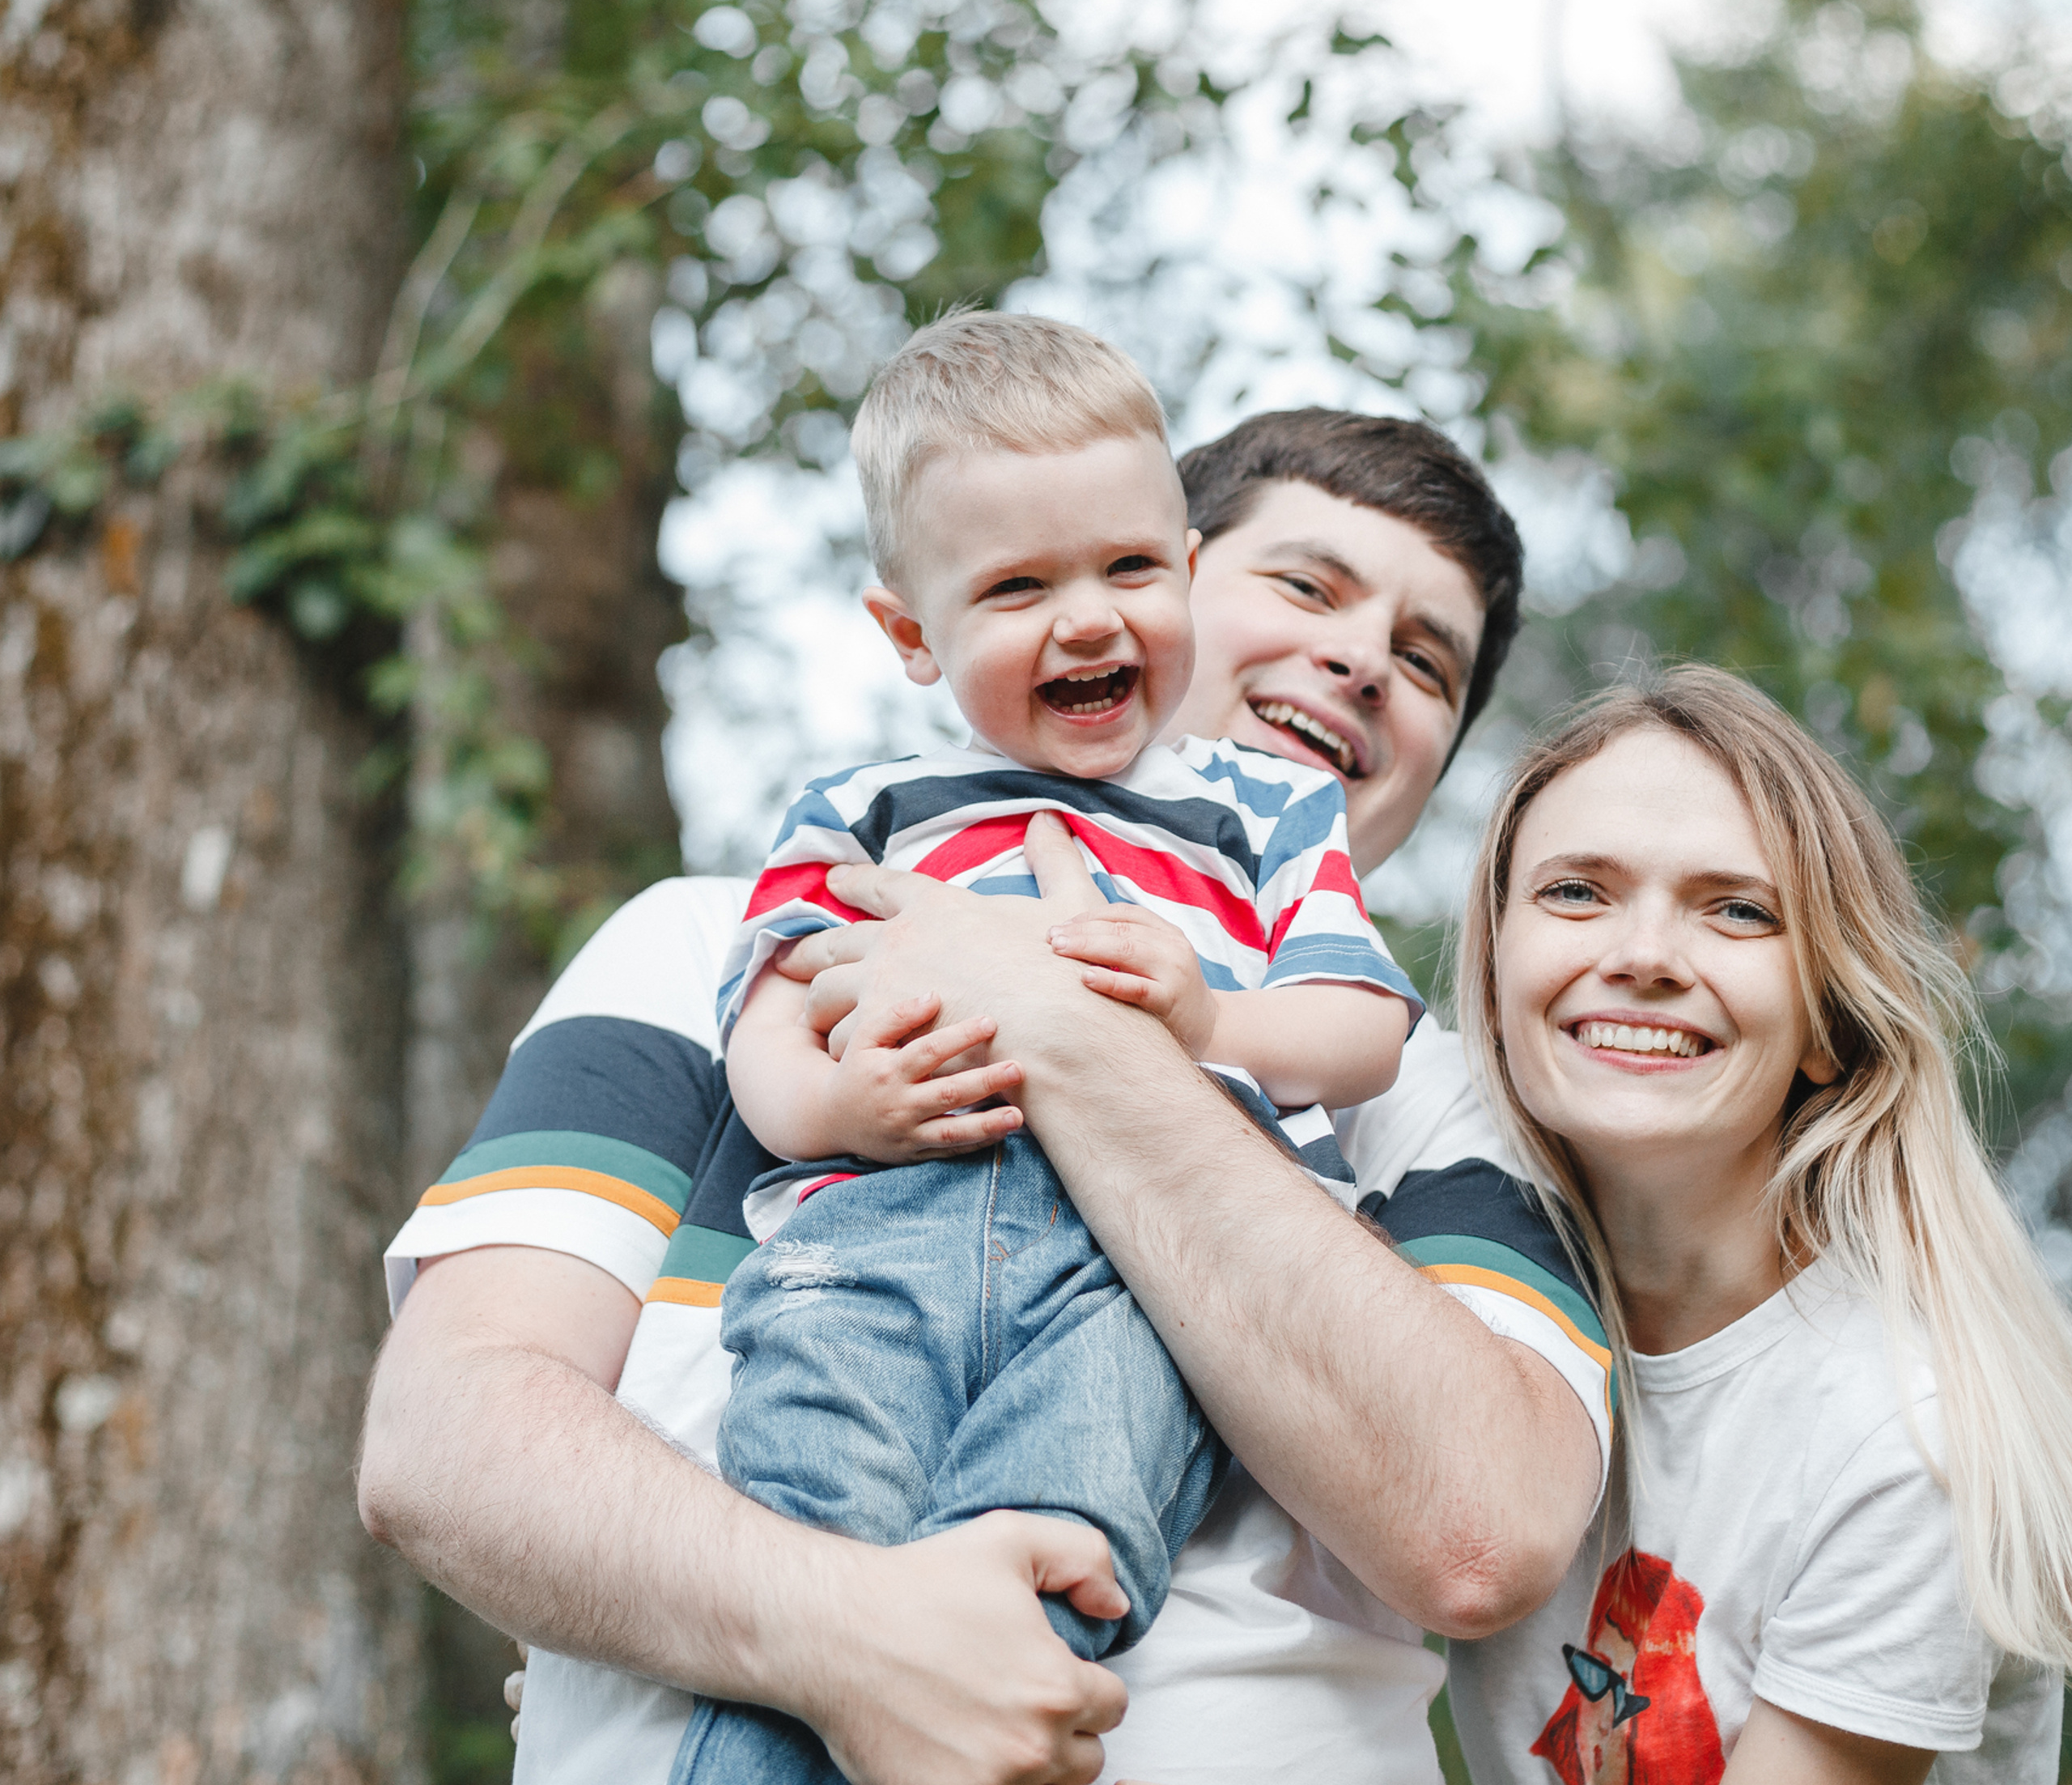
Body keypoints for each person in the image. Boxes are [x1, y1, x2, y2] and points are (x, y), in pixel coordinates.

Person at [357, 400, 1610, 1785]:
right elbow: (445, 1435)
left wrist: (1063, 1023)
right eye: (1307, 586)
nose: (1363, 658)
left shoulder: (1449, 1100)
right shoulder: (714, 947)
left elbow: (1480, 1533)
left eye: (1427, 659)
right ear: (1172, 579)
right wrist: (854, 1639)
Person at [681, 316, 1419, 1780]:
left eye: (1130, 570)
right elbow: (764, 1023)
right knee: (812, 1555)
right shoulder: (868, 806)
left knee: (1057, 1550)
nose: (1088, 622)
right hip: (880, 1237)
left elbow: (1358, 1034)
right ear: (910, 633)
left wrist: (1205, 1019)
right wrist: (848, 1105)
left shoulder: (1263, 816)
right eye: (1018, 588)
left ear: (1189, 574)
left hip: (1151, 1272)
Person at [1441, 665, 2072, 1783]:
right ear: (1495, 976)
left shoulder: (1904, 1439)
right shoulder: (1456, 1298)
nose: (1641, 956)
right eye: (1577, 892)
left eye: (1736, 909)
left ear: (1826, 1024)